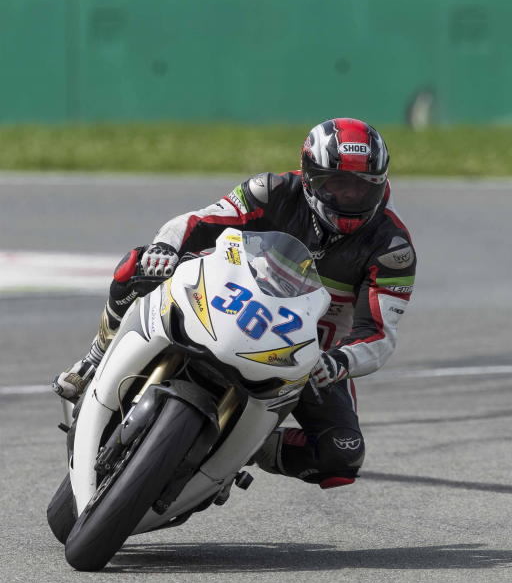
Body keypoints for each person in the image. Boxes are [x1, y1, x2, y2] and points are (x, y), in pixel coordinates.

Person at [54, 118, 416, 490]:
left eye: (363, 186)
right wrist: (166, 247)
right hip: (227, 303)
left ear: (382, 183)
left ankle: (248, 446)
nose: (351, 196)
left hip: (305, 358)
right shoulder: (270, 191)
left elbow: (378, 334)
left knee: (342, 455)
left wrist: (339, 362)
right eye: (338, 183)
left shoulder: (393, 249)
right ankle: (93, 360)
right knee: (137, 264)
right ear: (310, 177)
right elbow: (197, 221)